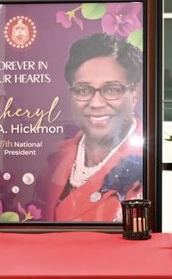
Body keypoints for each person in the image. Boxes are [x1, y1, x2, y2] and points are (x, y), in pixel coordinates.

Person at [38, 33, 144, 222]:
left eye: (111, 89)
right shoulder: (55, 159)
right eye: (83, 90)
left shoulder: (148, 165)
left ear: (134, 92)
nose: (95, 103)